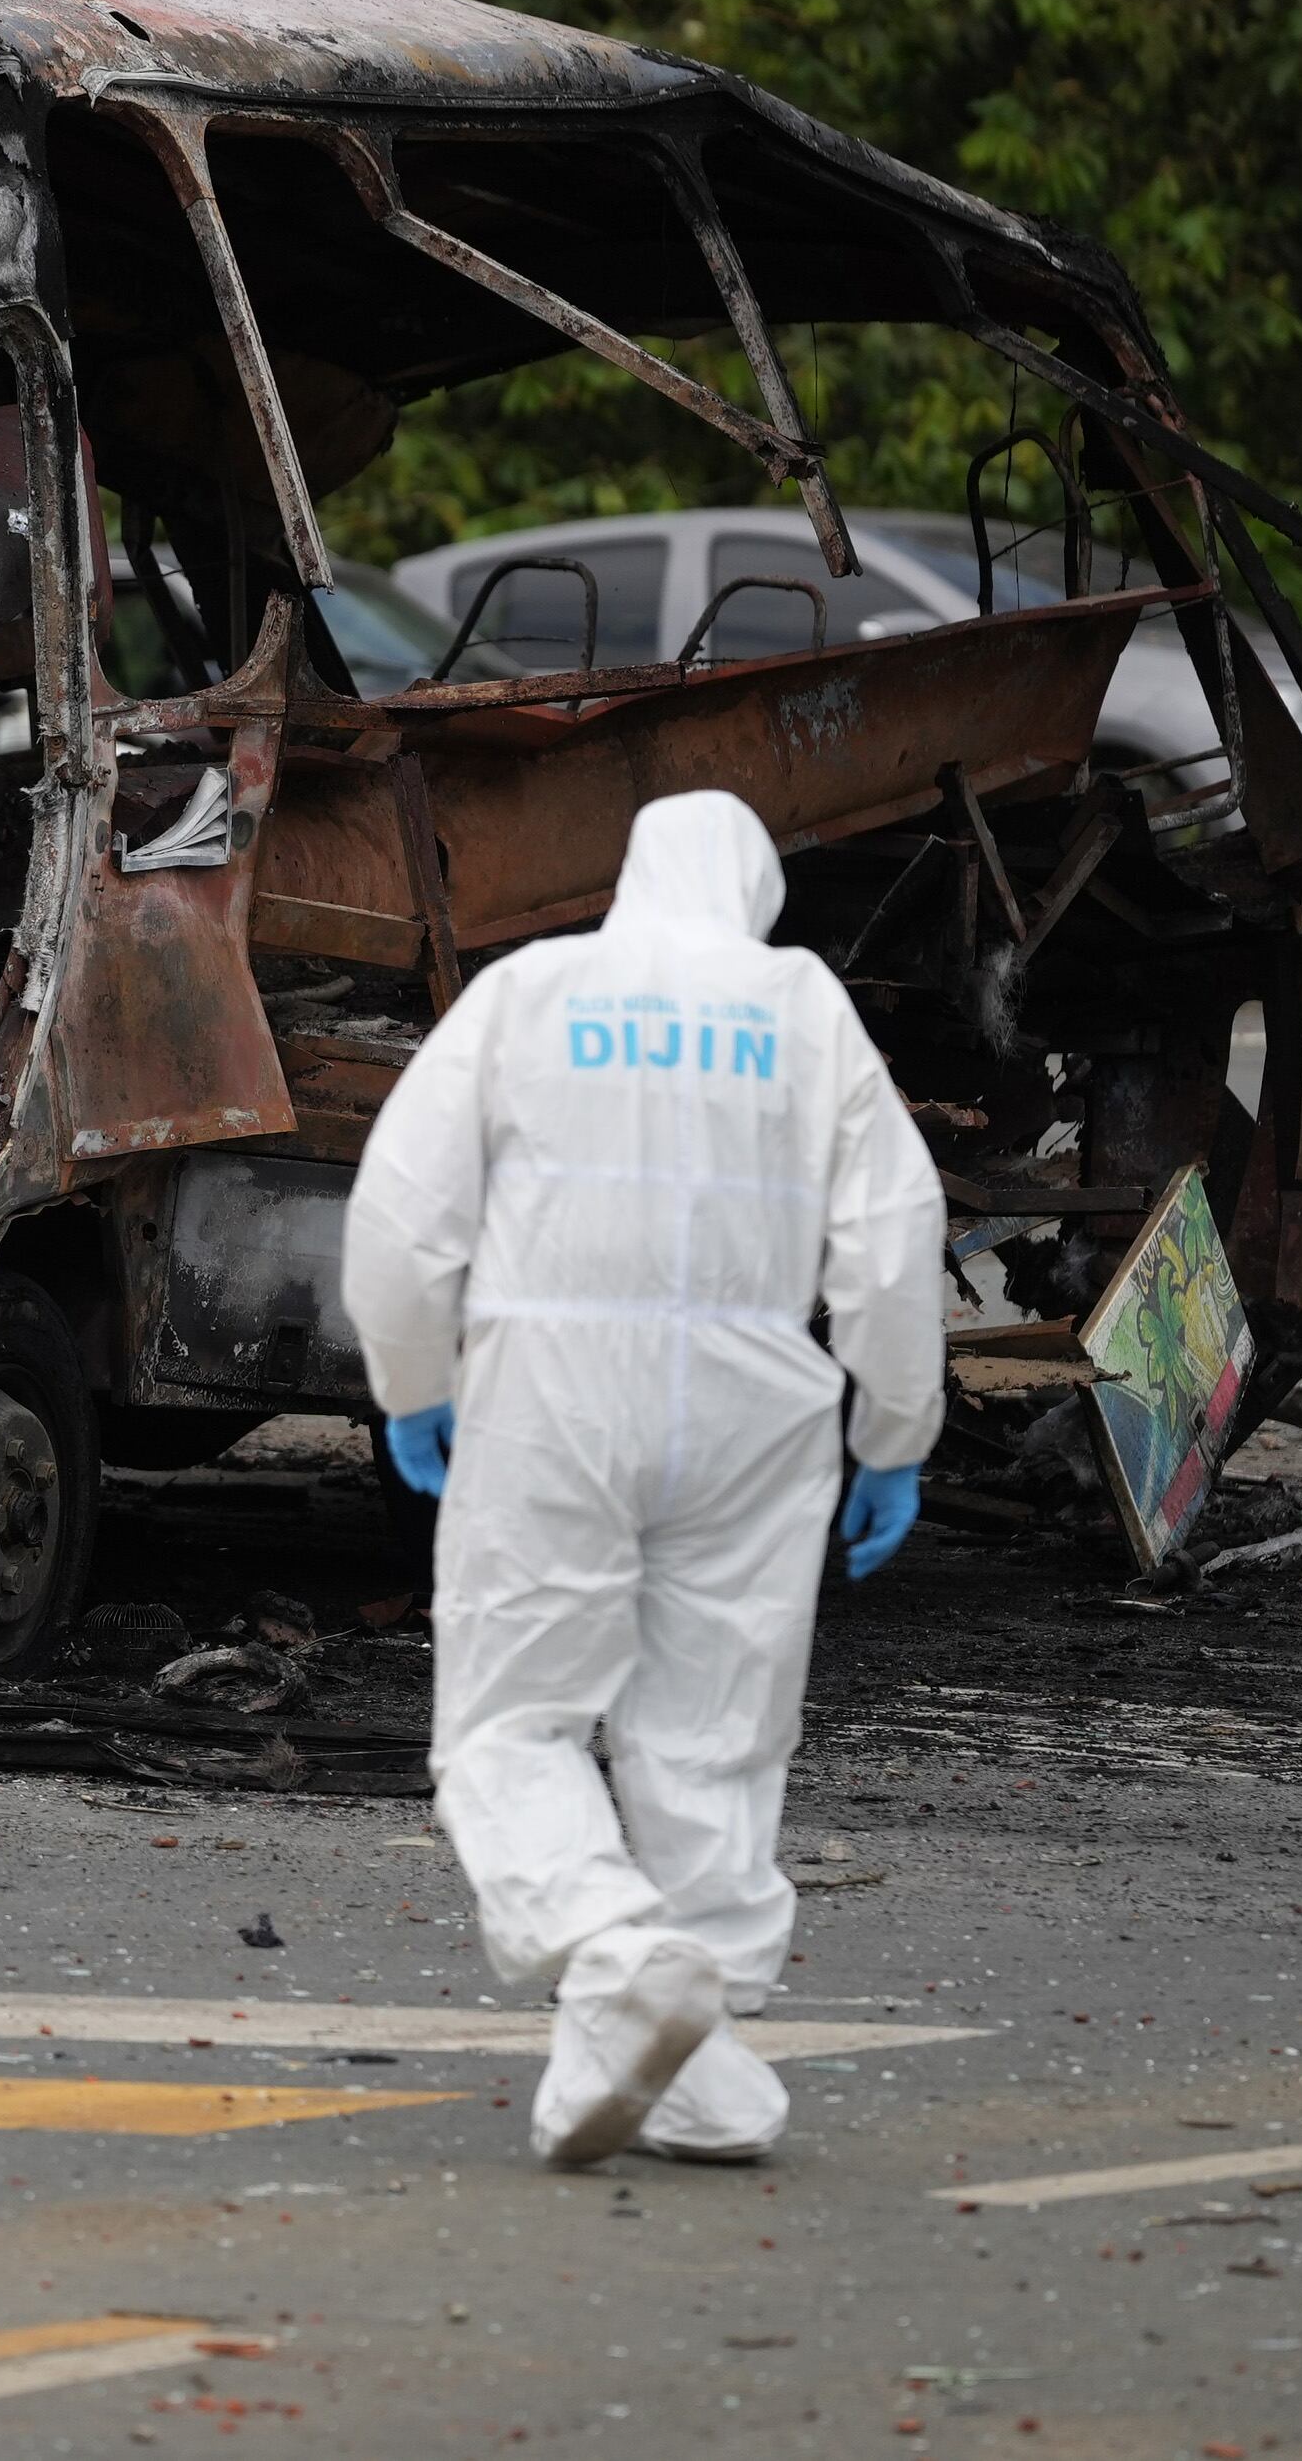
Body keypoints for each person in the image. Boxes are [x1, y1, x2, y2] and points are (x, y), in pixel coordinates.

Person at [341, 789, 942, 2167]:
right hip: (753, 1409)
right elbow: (895, 1237)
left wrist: (412, 1382)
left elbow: (402, 1212)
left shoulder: (532, 990)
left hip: (552, 1394)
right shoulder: (801, 1006)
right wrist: (892, 1435)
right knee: (711, 1735)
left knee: (510, 1725)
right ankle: (698, 2072)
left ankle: (612, 1946)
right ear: (752, 894)